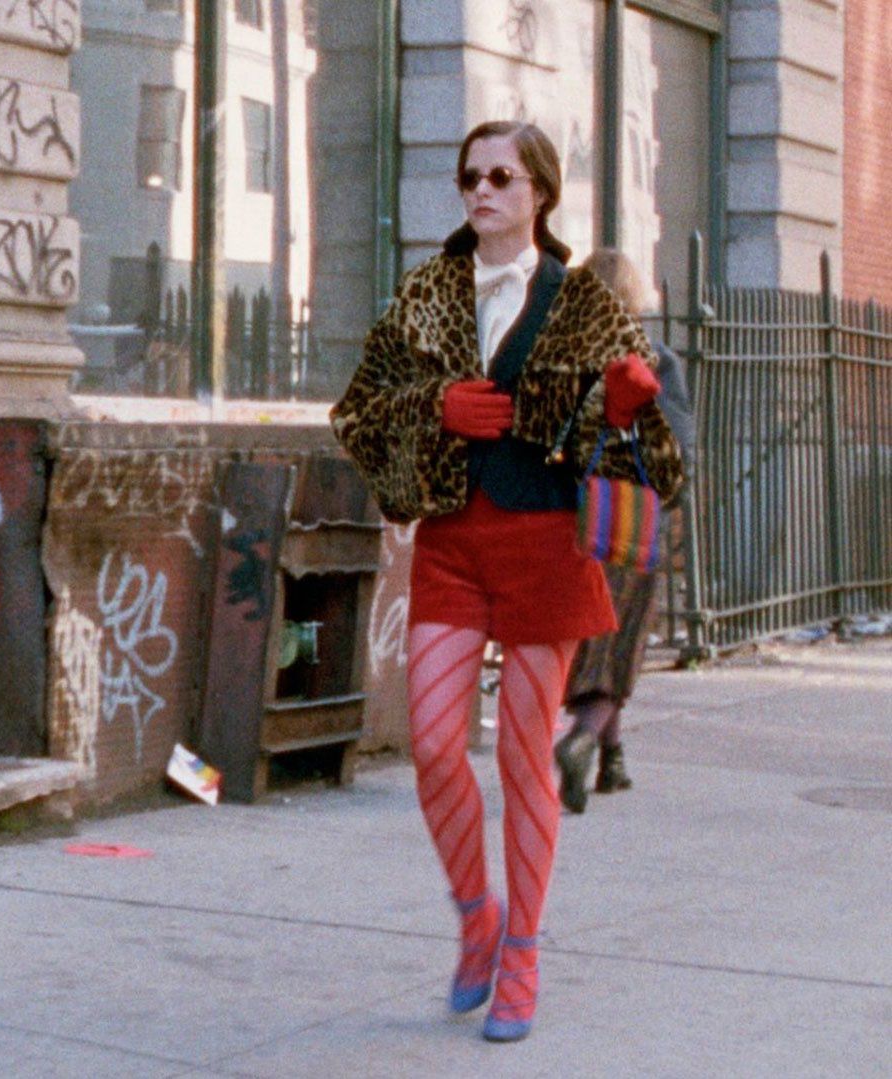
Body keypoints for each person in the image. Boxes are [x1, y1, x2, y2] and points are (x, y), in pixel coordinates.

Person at [330, 122, 684, 1043]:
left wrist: (620, 408)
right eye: (469, 178)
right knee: (434, 742)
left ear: (540, 193)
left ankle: (521, 952)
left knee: (526, 757)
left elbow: (657, 455)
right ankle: (476, 915)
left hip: (545, 545)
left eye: (500, 176)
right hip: (453, 543)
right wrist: (434, 405)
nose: (481, 191)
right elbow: (357, 412)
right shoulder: (428, 293)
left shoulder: (584, 302)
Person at [555, 248, 696, 813]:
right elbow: (677, 452)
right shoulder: (656, 361)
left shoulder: (563, 358)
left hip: (572, 521)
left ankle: (611, 761)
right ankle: (584, 738)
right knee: (622, 643)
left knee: (589, 643)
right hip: (632, 523)